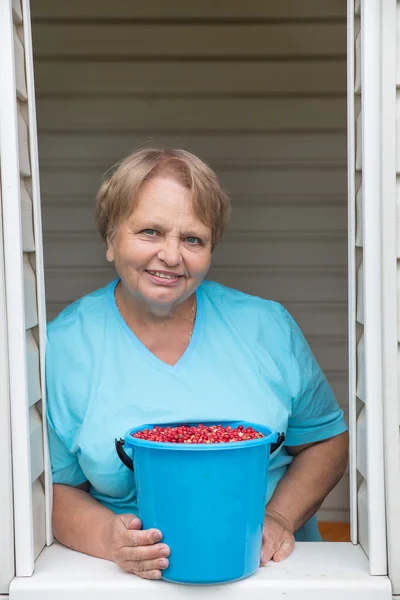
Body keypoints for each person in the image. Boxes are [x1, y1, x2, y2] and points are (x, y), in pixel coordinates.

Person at [46, 148, 348, 581]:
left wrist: (279, 517)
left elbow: (326, 441)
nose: (171, 256)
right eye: (150, 231)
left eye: (193, 239)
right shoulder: (64, 347)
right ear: (111, 239)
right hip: (126, 584)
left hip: (274, 576)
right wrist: (109, 539)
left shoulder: (267, 326)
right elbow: (54, 488)